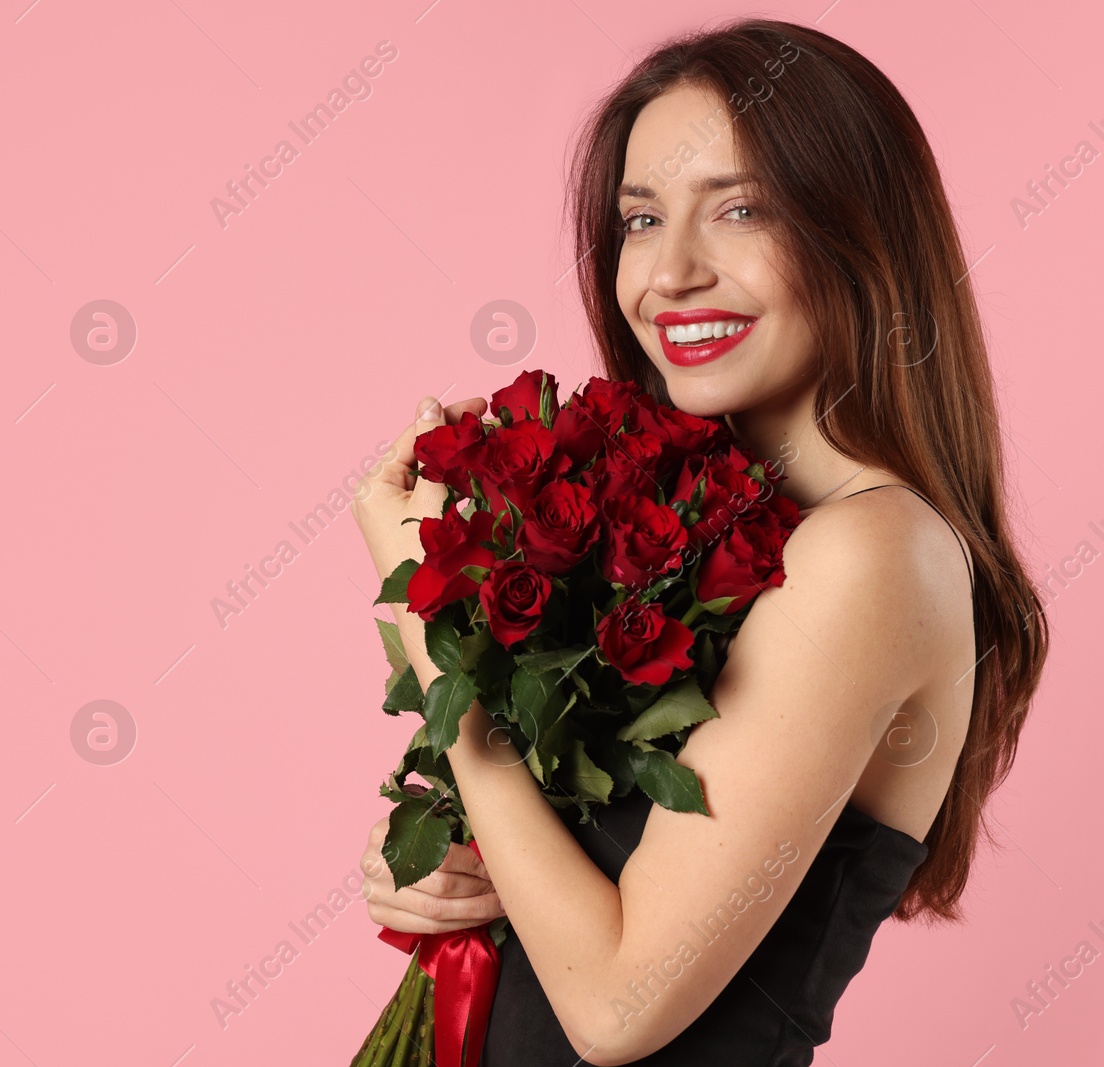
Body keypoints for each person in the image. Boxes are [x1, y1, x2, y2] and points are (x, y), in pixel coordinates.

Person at [349, 18, 1051, 1065]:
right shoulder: (697, 529)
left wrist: (434, 627)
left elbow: (616, 1006)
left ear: (858, 230)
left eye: (739, 208)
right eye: (639, 218)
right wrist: (453, 858)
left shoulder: (872, 553)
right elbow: (598, 880)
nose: (668, 272)